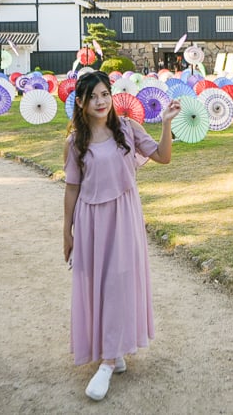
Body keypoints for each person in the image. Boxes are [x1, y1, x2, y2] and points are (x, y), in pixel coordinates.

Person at [62, 70, 180, 402]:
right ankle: (112, 350)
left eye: (105, 94)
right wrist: (66, 232)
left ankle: (107, 361)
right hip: (90, 219)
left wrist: (167, 123)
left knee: (119, 282)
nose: (100, 102)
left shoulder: (127, 129)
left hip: (124, 217)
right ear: (81, 103)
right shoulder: (76, 142)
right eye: (92, 97)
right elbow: (71, 189)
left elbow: (163, 156)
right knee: (97, 283)